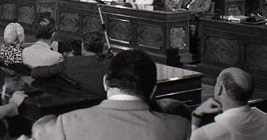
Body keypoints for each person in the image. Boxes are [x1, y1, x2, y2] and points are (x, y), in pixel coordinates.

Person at [33, 50, 190, 139]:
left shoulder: (66, 124)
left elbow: (39, 131)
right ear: (153, 90)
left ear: (105, 82)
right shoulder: (179, 127)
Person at [190, 67, 267, 140]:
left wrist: (197, 114)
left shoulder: (209, 133)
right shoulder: (264, 120)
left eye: (216, 82)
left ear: (220, 88)